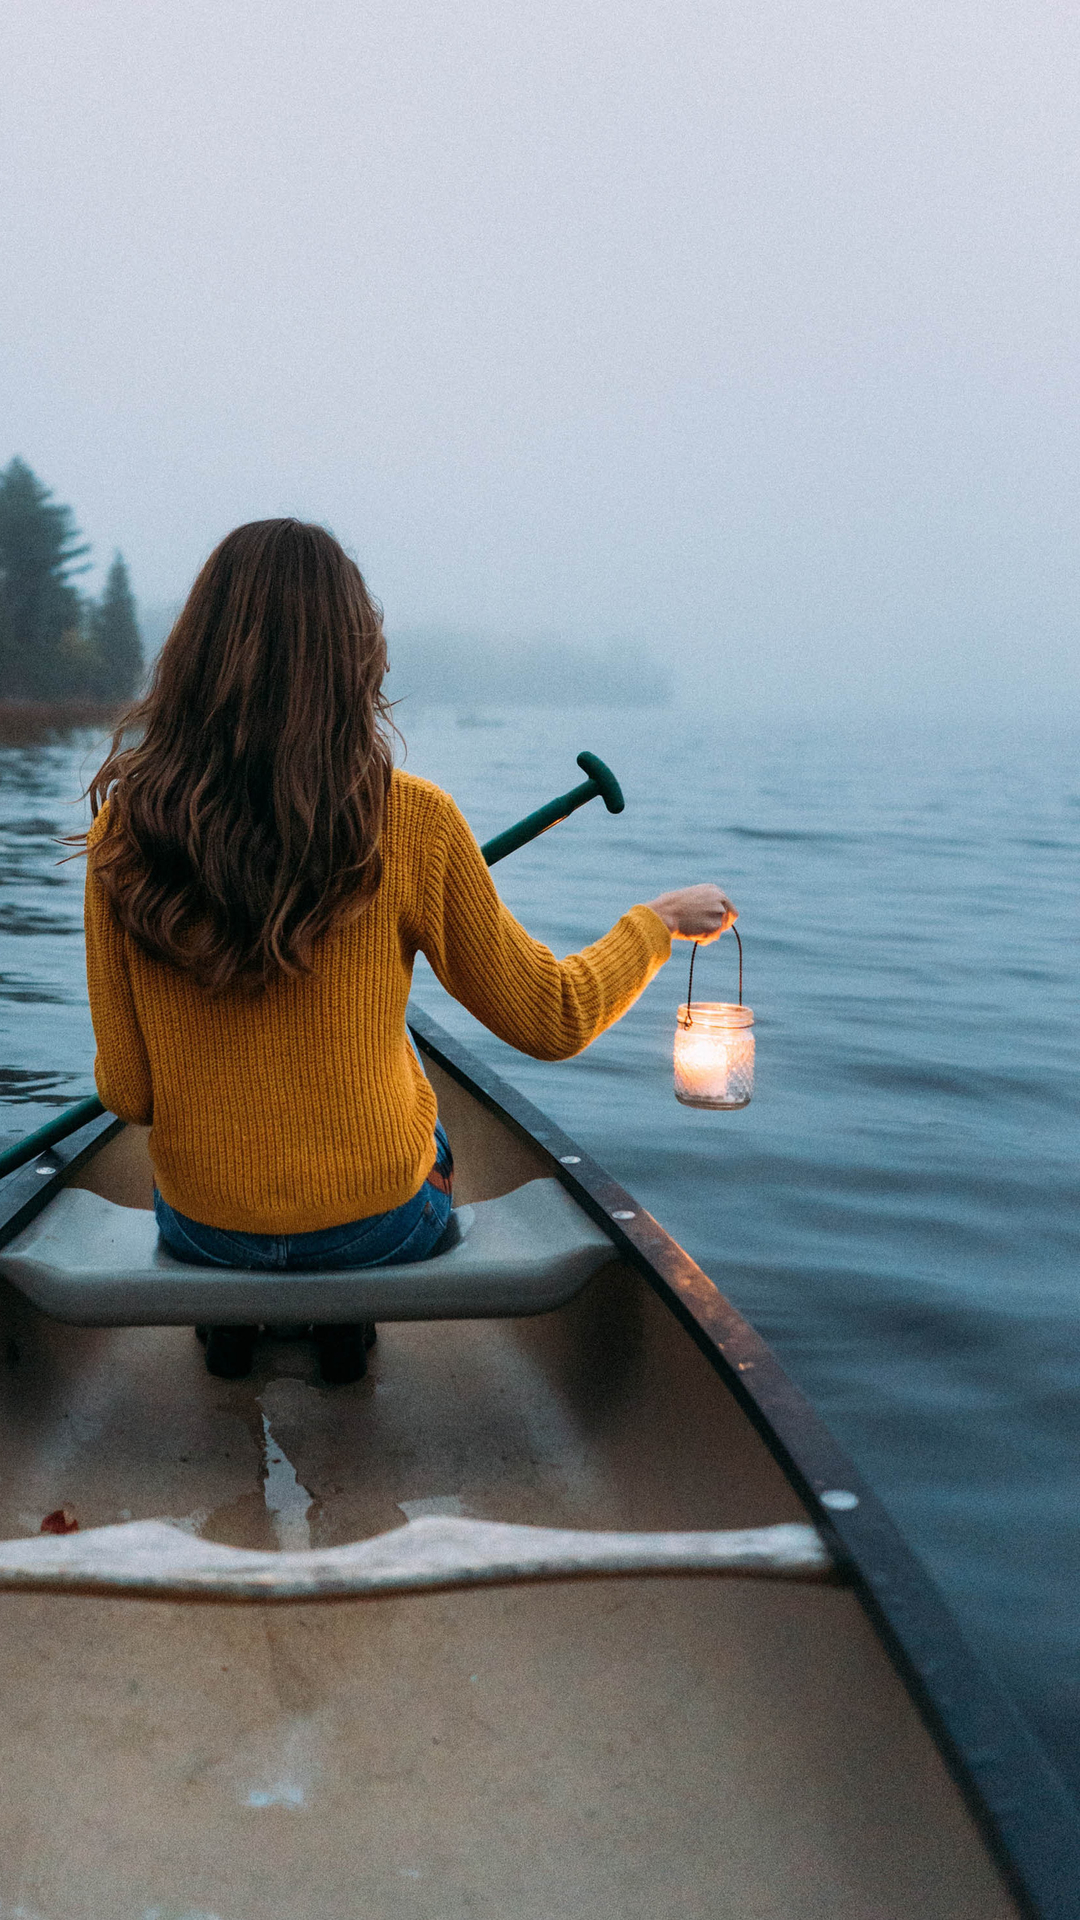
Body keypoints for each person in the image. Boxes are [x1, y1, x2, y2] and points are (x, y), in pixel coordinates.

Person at [82, 520, 736, 1382]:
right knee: (427, 1120)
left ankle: (231, 1323)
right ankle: (345, 1325)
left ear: (195, 655)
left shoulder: (122, 834)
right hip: (376, 1227)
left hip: (204, 1227)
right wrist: (656, 924)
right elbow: (552, 1019)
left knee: (213, 1177)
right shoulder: (414, 819)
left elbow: (128, 1093)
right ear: (356, 658)